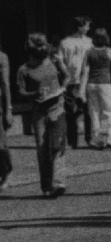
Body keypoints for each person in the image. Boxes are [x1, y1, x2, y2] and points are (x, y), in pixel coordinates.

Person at [15, 33, 69, 198]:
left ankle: (58, 182)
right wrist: (34, 93)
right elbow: (20, 92)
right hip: (39, 112)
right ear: (32, 51)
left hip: (57, 108)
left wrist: (63, 87)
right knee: (42, 148)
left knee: (58, 145)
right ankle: (46, 186)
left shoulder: (53, 61)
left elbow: (66, 77)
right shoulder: (24, 69)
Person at [81, 27, 111, 150]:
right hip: (106, 84)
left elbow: (84, 71)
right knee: (109, 111)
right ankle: (110, 138)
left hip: (91, 84)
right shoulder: (110, 52)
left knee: (94, 112)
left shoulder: (88, 52)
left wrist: (82, 89)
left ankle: (97, 139)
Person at [59, 16, 94, 149]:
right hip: (71, 81)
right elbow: (60, 59)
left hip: (86, 79)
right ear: (79, 27)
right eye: (86, 26)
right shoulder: (65, 42)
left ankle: (89, 138)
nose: (88, 28)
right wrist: (66, 73)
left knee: (88, 110)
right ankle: (72, 140)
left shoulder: (90, 42)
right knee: (70, 111)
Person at [0, 34, 11, 192]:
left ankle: (6, 172)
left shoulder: (1, 58)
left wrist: (8, 109)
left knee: (1, 144)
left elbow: (5, 84)